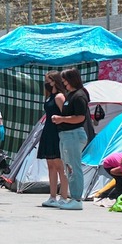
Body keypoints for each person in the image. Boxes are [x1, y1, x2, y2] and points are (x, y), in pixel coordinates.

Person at [49, 68, 90, 210]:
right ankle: (73, 197)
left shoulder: (79, 96)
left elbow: (80, 117)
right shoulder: (71, 95)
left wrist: (61, 119)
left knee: (74, 167)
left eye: (65, 79)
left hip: (74, 134)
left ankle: (77, 198)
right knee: (69, 167)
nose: (63, 82)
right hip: (66, 135)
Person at [38, 71, 68, 208]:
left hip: (57, 132)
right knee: (50, 165)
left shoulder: (59, 97)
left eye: (49, 81)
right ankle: (52, 196)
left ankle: (64, 196)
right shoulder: (49, 97)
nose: (47, 84)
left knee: (59, 165)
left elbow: (65, 115)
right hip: (48, 131)